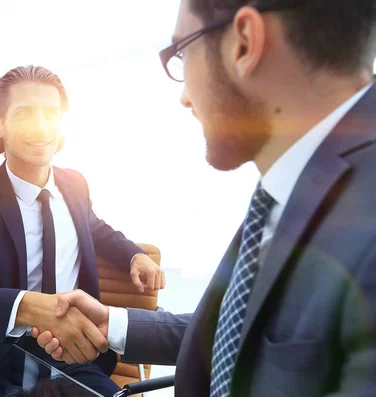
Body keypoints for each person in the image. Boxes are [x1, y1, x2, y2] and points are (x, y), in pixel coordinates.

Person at [32, 0, 376, 396]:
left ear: (244, 44)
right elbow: (245, 331)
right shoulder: (293, 185)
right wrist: (117, 324)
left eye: (182, 52)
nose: (184, 98)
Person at [0, 65, 165, 397]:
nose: (41, 126)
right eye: (25, 113)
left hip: (75, 363)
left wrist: (134, 255)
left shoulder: (75, 184)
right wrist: (27, 307)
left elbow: (95, 228)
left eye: (51, 114)